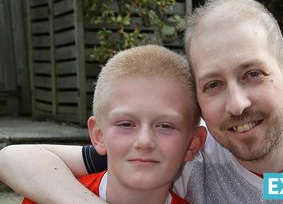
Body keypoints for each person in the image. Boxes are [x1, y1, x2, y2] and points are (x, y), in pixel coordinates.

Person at [0, 0, 283, 203]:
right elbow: (16, 158)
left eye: (252, 74)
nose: (237, 104)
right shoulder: (193, 156)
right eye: (213, 85)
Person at [19, 45, 207, 204]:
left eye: (166, 126)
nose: (144, 141)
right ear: (98, 135)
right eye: (126, 124)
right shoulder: (46, 197)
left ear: (192, 144)